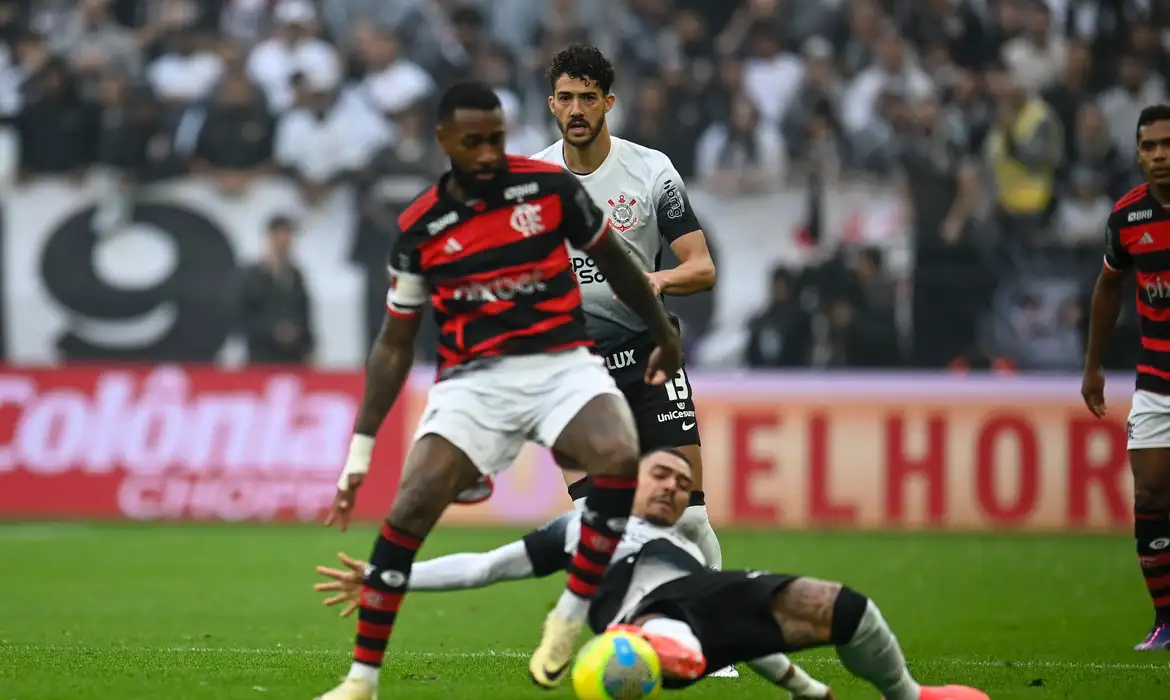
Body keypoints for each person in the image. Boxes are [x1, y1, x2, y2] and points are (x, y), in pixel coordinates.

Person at [314, 81, 684, 700]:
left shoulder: (549, 191)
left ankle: (568, 616)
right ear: (444, 142)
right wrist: (360, 449)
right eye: (472, 142)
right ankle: (362, 680)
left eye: (496, 139)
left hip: (562, 364)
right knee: (407, 511)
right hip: (474, 384)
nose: (488, 154)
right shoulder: (420, 226)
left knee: (618, 457)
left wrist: (661, 333)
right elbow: (394, 342)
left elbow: (618, 265)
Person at [316, 451, 987, 700]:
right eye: (661, 476)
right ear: (633, 481)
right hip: (647, 615)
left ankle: (911, 696)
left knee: (843, 607)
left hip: (702, 603)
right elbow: (484, 569)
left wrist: (809, 691)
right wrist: (389, 579)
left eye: (682, 483)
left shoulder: (691, 545)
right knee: (668, 628)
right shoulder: (582, 527)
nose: (672, 488)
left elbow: (753, 644)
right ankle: (641, 653)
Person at [455, 43, 724, 592]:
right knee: (604, 520)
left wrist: (656, 281)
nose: (576, 109)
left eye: (588, 98)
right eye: (566, 98)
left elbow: (701, 267)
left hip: (651, 358)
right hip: (574, 373)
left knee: (688, 516)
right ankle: (636, 628)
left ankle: (712, 632)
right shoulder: (530, 180)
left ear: (608, 103)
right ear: (552, 105)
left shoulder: (652, 171)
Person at [1082, 103, 1170, 652]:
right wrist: (1092, 365)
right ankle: (1166, 621)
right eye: (1150, 147)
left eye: (1168, 144)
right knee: (1152, 493)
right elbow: (1108, 289)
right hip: (1157, 381)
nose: (1160, 156)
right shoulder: (1128, 219)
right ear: (1137, 154)